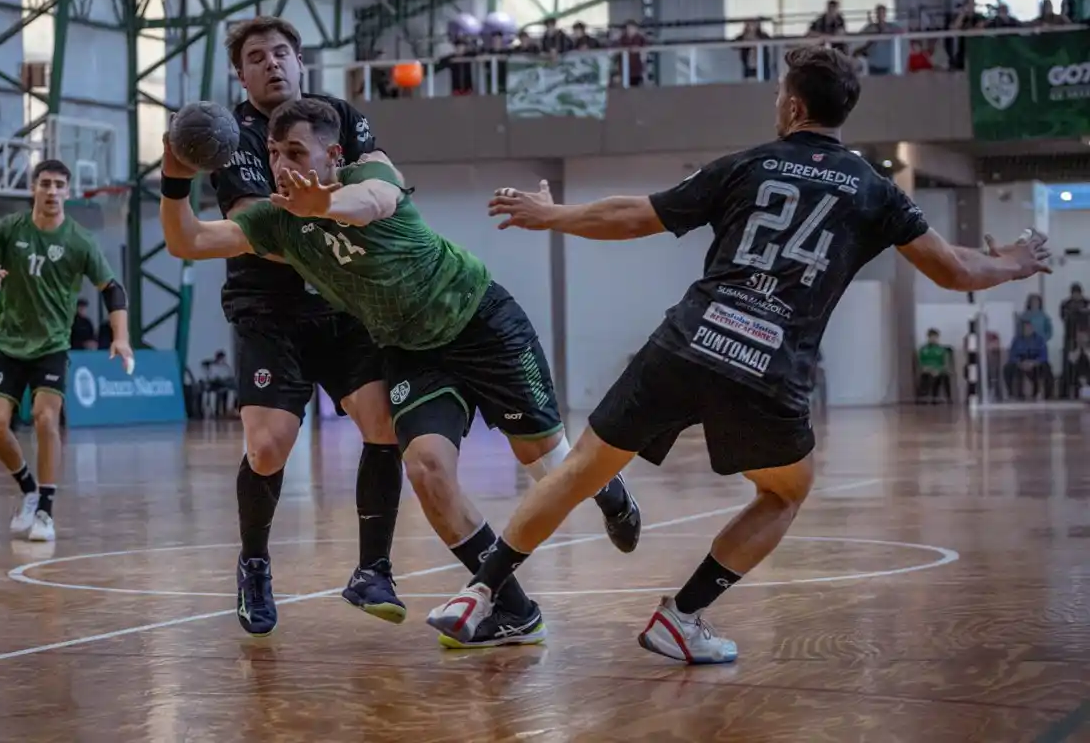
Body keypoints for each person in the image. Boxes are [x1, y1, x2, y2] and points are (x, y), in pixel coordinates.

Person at [425, 45, 1053, 661]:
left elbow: (633, 216)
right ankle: (683, 616)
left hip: (687, 342)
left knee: (577, 472)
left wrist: (551, 213)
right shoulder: (874, 190)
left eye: (780, 93)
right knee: (783, 494)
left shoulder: (749, 164)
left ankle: (480, 593)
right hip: (769, 369)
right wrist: (1014, 264)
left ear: (794, 106)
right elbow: (954, 270)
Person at [160, 97, 642, 648]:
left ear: (333, 153)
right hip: (414, 351)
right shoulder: (273, 218)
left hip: (479, 322)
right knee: (428, 470)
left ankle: (607, 488)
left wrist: (325, 207)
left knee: (547, 466)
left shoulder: (367, 171)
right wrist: (175, 178)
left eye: (295, 151)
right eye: (273, 153)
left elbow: (373, 201)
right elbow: (190, 240)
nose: (281, 164)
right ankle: (513, 610)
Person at [204, 15, 406, 637]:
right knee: (267, 447)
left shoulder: (338, 115)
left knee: (384, 423)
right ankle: (255, 564)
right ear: (241, 74)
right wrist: (335, 217)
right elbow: (252, 224)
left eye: (283, 53)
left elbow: (384, 175)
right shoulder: (227, 134)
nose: (273, 63)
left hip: (344, 304)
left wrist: (372, 196)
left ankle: (374, 568)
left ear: (302, 61)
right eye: (258, 56)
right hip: (270, 310)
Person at [0, 159, 133, 543]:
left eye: (60, 184)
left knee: (46, 419)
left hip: (51, 346)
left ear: (69, 192)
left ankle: (45, 509)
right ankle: (27, 487)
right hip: (7, 343)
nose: (53, 191)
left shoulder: (79, 240)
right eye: (46, 183)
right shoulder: (10, 228)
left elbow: (113, 289)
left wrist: (120, 337)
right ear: (34, 188)